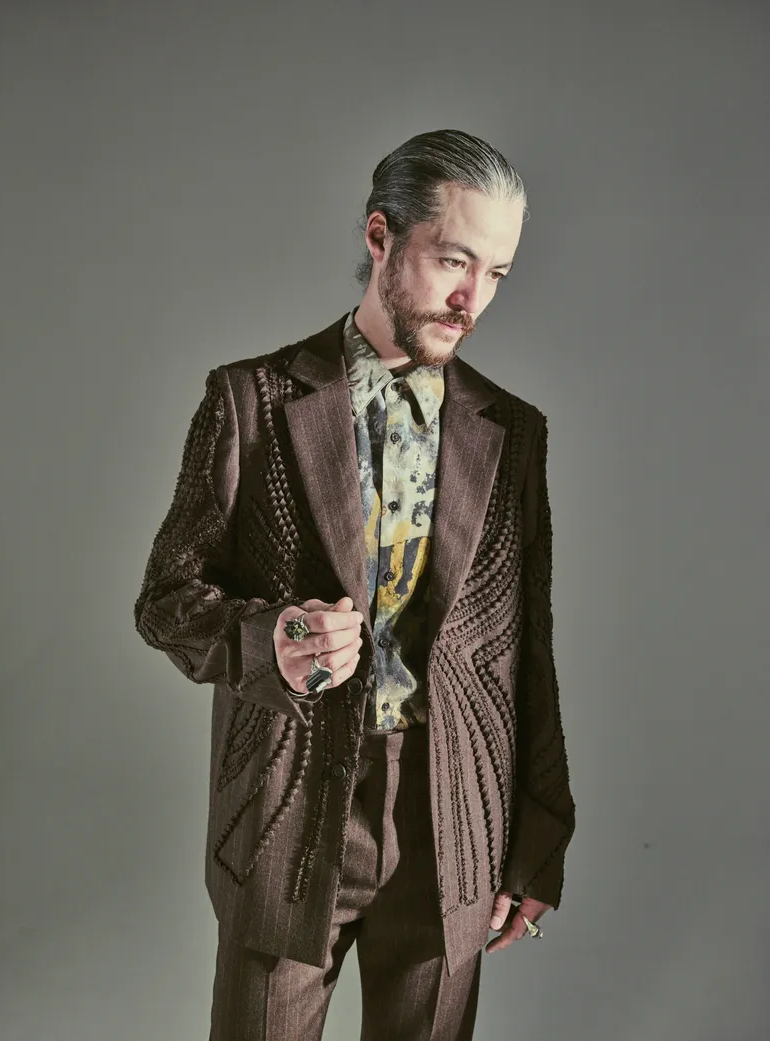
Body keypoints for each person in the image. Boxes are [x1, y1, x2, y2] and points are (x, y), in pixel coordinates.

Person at [134, 128, 576, 1041]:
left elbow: (524, 650)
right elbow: (167, 598)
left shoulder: (513, 432)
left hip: (454, 821)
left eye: (496, 272)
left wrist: (540, 836)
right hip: (287, 813)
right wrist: (271, 639)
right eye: (453, 259)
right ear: (381, 237)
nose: (472, 299)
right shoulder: (251, 401)